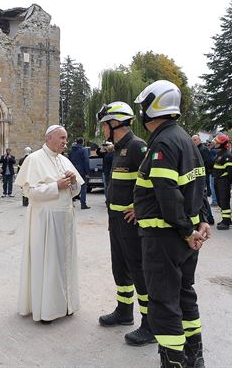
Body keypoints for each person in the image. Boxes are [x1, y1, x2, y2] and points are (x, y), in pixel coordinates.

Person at [133, 80, 210, 368]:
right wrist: (201, 221)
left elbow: (168, 193)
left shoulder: (163, 142)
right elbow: (198, 184)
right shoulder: (184, 138)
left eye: (144, 106)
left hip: (165, 237)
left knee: (164, 303)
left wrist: (187, 230)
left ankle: (173, 362)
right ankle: (194, 357)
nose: (141, 111)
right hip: (184, 237)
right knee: (185, 295)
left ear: (153, 108)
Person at [97, 101, 154, 346]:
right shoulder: (119, 148)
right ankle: (124, 311)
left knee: (138, 271)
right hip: (116, 220)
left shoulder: (137, 146)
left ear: (114, 123)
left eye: (103, 125)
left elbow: (153, 180)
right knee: (119, 267)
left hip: (131, 224)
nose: (102, 130)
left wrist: (140, 208)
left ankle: (150, 324)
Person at [15, 125, 84, 324]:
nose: (65, 142)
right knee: (49, 264)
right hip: (45, 220)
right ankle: (47, 310)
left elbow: (76, 191)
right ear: (49, 138)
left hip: (65, 219)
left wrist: (72, 183)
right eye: (62, 138)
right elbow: (30, 193)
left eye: (66, 138)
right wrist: (56, 186)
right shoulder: (34, 159)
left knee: (65, 263)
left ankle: (66, 304)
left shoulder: (65, 160)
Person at [212, 133, 232, 230]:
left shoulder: (227, 155)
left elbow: (230, 172)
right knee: (220, 201)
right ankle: (226, 219)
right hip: (218, 180)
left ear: (222, 143)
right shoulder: (220, 153)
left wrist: (227, 182)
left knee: (224, 200)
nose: (215, 143)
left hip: (223, 181)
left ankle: (226, 222)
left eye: (217, 142)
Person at [192, 135, 214, 225]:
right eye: (192, 140)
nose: (194, 141)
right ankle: (207, 217)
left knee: (203, 198)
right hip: (198, 176)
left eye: (195, 140)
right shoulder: (196, 149)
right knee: (201, 198)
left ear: (200, 140)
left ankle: (209, 218)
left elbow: (208, 162)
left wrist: (205, 172)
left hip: (202, 176)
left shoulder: (203, 149)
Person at [69, 137, 91, 210]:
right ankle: (83, 204)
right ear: (82, 142)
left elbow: (69, 159)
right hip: (81, 170)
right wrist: (87, 172)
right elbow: (86, 161)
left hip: (73, 169)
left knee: (72, 186)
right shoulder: (83, 150)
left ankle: (71, 202)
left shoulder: (72, 150)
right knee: (83, 187)